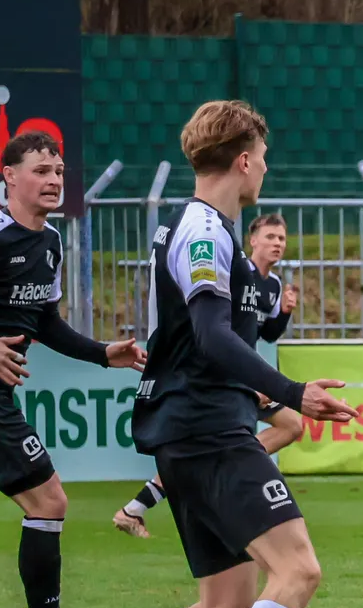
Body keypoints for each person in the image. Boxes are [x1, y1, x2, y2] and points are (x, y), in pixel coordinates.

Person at [40, 100, 357, 608]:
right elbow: (211, 337)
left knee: (226, 606)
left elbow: (205, 341)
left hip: (192, 429)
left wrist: (261, 391)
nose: (265, 169)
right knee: (298, 570)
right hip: (207, 431)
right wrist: (293, 392)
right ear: (243, 159)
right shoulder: (204, 230)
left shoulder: (208, 231)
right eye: (263, 157)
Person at [0, 132, 144, 608]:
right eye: (41, 171)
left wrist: (103, 354)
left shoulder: (50, 242)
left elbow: (45, 322)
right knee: (49, 501)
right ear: (9, 176)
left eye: (59, 172)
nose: (54, 181)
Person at [113, 213, 302, 538]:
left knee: (287, 427)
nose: (277, 244)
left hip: (242, 372)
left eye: (281, 238)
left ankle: (136, 507)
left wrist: (284, 313)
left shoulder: (273, 285)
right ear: (253, 240)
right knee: (283, 428)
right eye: (270, 237)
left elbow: (267, 333)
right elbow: (217, 332)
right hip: (223, 373)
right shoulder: (236, 271)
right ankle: (138, 507)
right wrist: (250, 380)